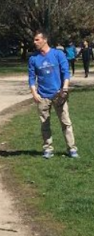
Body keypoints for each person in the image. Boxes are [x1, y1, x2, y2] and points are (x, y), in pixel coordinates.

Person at [28, 30, 78, 159]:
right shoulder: (33, 58)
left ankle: (71, 148)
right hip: (42, 96)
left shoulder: (58, 54)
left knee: (66, 122)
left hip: (58, 94)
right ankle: (48, 148)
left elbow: (65, 72)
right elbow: (31, 78)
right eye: (34, 40)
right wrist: (34, 93)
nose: (34, 42)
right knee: (45, 124)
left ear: (45, 40)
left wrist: (64, 89)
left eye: (37, 40)